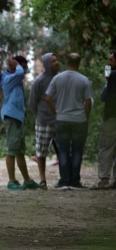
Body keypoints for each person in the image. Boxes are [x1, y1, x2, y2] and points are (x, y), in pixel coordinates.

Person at [45, 53, 93, 190]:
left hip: (62, 119)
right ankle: (75, 181)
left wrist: (55, 113)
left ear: (67, 62)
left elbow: (47, 98)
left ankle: (64, 180)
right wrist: (86, 116)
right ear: (79, 64)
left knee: (63, 151)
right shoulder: (84, 80)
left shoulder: (57, 78)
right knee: (77, 151)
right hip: (79, 120)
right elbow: (88, 102)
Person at [0, 56, 42, 191]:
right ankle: (11, 181)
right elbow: (20, 73)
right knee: (11, 150)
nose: (25, 70)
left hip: (18, 118)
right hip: (11, 116)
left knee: (20, 151)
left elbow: (20, 74)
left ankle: (27, 180)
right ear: (14, 66)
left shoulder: (16, 79)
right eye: (23, 66)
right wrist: (17, 66)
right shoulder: (8, 79)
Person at [29, 53, 60, 188]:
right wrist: (40, 115)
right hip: (43, 121)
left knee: (64, 151)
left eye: (57, 60)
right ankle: (43, 180)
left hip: (60, 121)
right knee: (41, 152)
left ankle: (65, 179)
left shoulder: (60, 78)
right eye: (53, 61)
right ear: (47, 64)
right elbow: (32, 102)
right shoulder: (39, 81)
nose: (57, 62)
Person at [91, 51, 116, 190]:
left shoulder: (113, 75)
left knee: (106, 147)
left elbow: (105, 97)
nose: (109, 63)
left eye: (111, 60)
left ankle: (104, 180)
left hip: (112, 117)